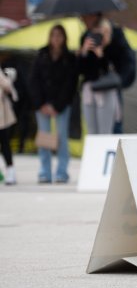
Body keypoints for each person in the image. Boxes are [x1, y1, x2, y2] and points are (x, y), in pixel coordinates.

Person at [28, 24, 79, 183]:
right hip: (42, 104)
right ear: (50, 38)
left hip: (61, 106)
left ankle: (62, 172)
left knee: (62, 137)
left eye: (59, 35)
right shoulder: (41, 55)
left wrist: (57, 106)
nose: (56, 39)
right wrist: (41, 104)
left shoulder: (69, 58)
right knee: (44, 138)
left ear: (64, 38)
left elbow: (70, 84)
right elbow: (34, 81)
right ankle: (45, 172)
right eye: (53, 35)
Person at [77, 13, 136, 134]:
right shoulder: (87, 38)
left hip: (110, 88)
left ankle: (114, 151)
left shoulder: (117, 37)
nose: (100, 36)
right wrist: (84, 52)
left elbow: (127, 62)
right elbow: (81, 69)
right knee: (92, 130)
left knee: (114, 126)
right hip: (91, 89)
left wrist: (103, 54)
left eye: (104, 32)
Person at [0, 67, 18, 185]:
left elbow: (7, 87)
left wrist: (8, 78)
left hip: (1, 114)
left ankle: (10, 171)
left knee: (4, 142)